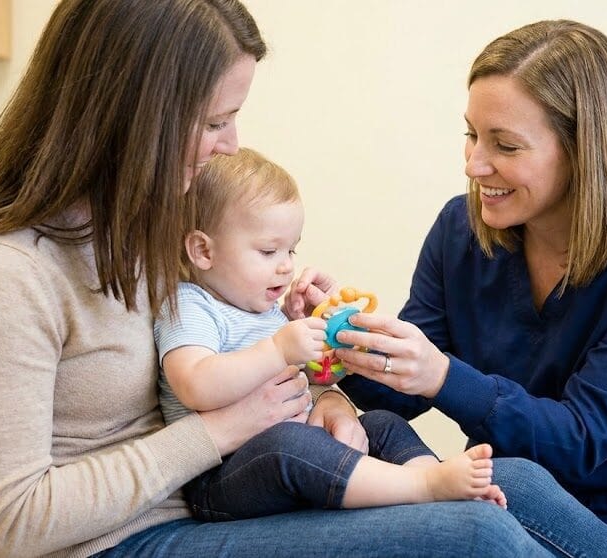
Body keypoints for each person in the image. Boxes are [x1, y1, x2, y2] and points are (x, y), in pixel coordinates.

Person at [0, 2, 607, 556]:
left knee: (508, 482)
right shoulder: (3, 271)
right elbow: (13, 526)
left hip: (214, 500)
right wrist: (221, 428)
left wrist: (294, 333)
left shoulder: (141, 230)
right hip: (122, 543)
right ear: (131, 116)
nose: (229, 145)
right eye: (214, 120)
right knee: (473, 538)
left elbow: (214, 336)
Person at [287, 19, 607, 558]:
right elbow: (398, 391)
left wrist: (441, 374)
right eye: (471, 134)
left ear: (583, 148)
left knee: (508, 482)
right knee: (373, 433)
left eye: (505, 145)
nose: (474, 164)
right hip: (501, 512)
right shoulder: (460, 230)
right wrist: (334, 341)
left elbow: (580, 441)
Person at [154, 147, 507, 521]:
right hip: (222, 477)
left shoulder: (267, 310)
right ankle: (422, 487)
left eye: (292, 249)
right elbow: (195, 385)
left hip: (298, 446)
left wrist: (330, 348)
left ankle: (433, 478)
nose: (287, 266)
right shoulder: (189, 306)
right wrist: (277, 350)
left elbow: (312, 380)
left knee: (381, 423)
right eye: (269, 251)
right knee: (291, 445)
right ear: (202, 250)